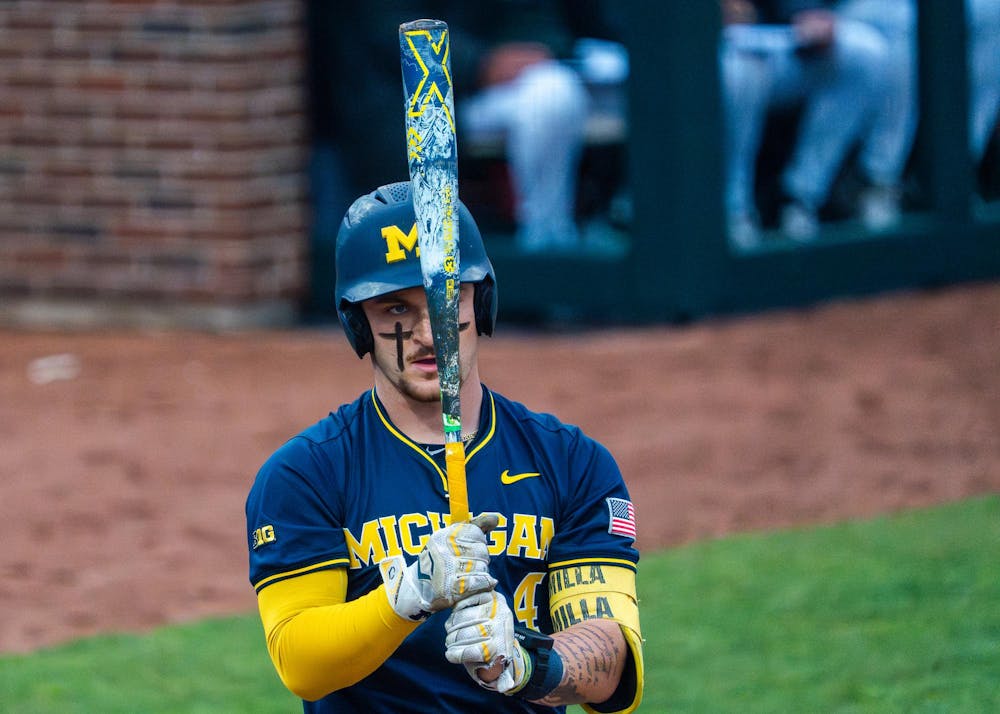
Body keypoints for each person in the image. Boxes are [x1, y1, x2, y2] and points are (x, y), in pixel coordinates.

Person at [245, 181, 644, 713]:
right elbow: (302, 663)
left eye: (445, 297)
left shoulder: (572, 463)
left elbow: (612, 662)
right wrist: (405, 597)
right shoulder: (306, 474)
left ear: (484, 299)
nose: (428, 333)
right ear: (355, 323)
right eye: (394, 310)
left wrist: (526, 662)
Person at [719, 0, 888, 246]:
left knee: (866, 52)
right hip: (724, 50)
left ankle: (800, 197)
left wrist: (818, 17)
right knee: (739, 74)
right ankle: (734, 211)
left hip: (782, 40)